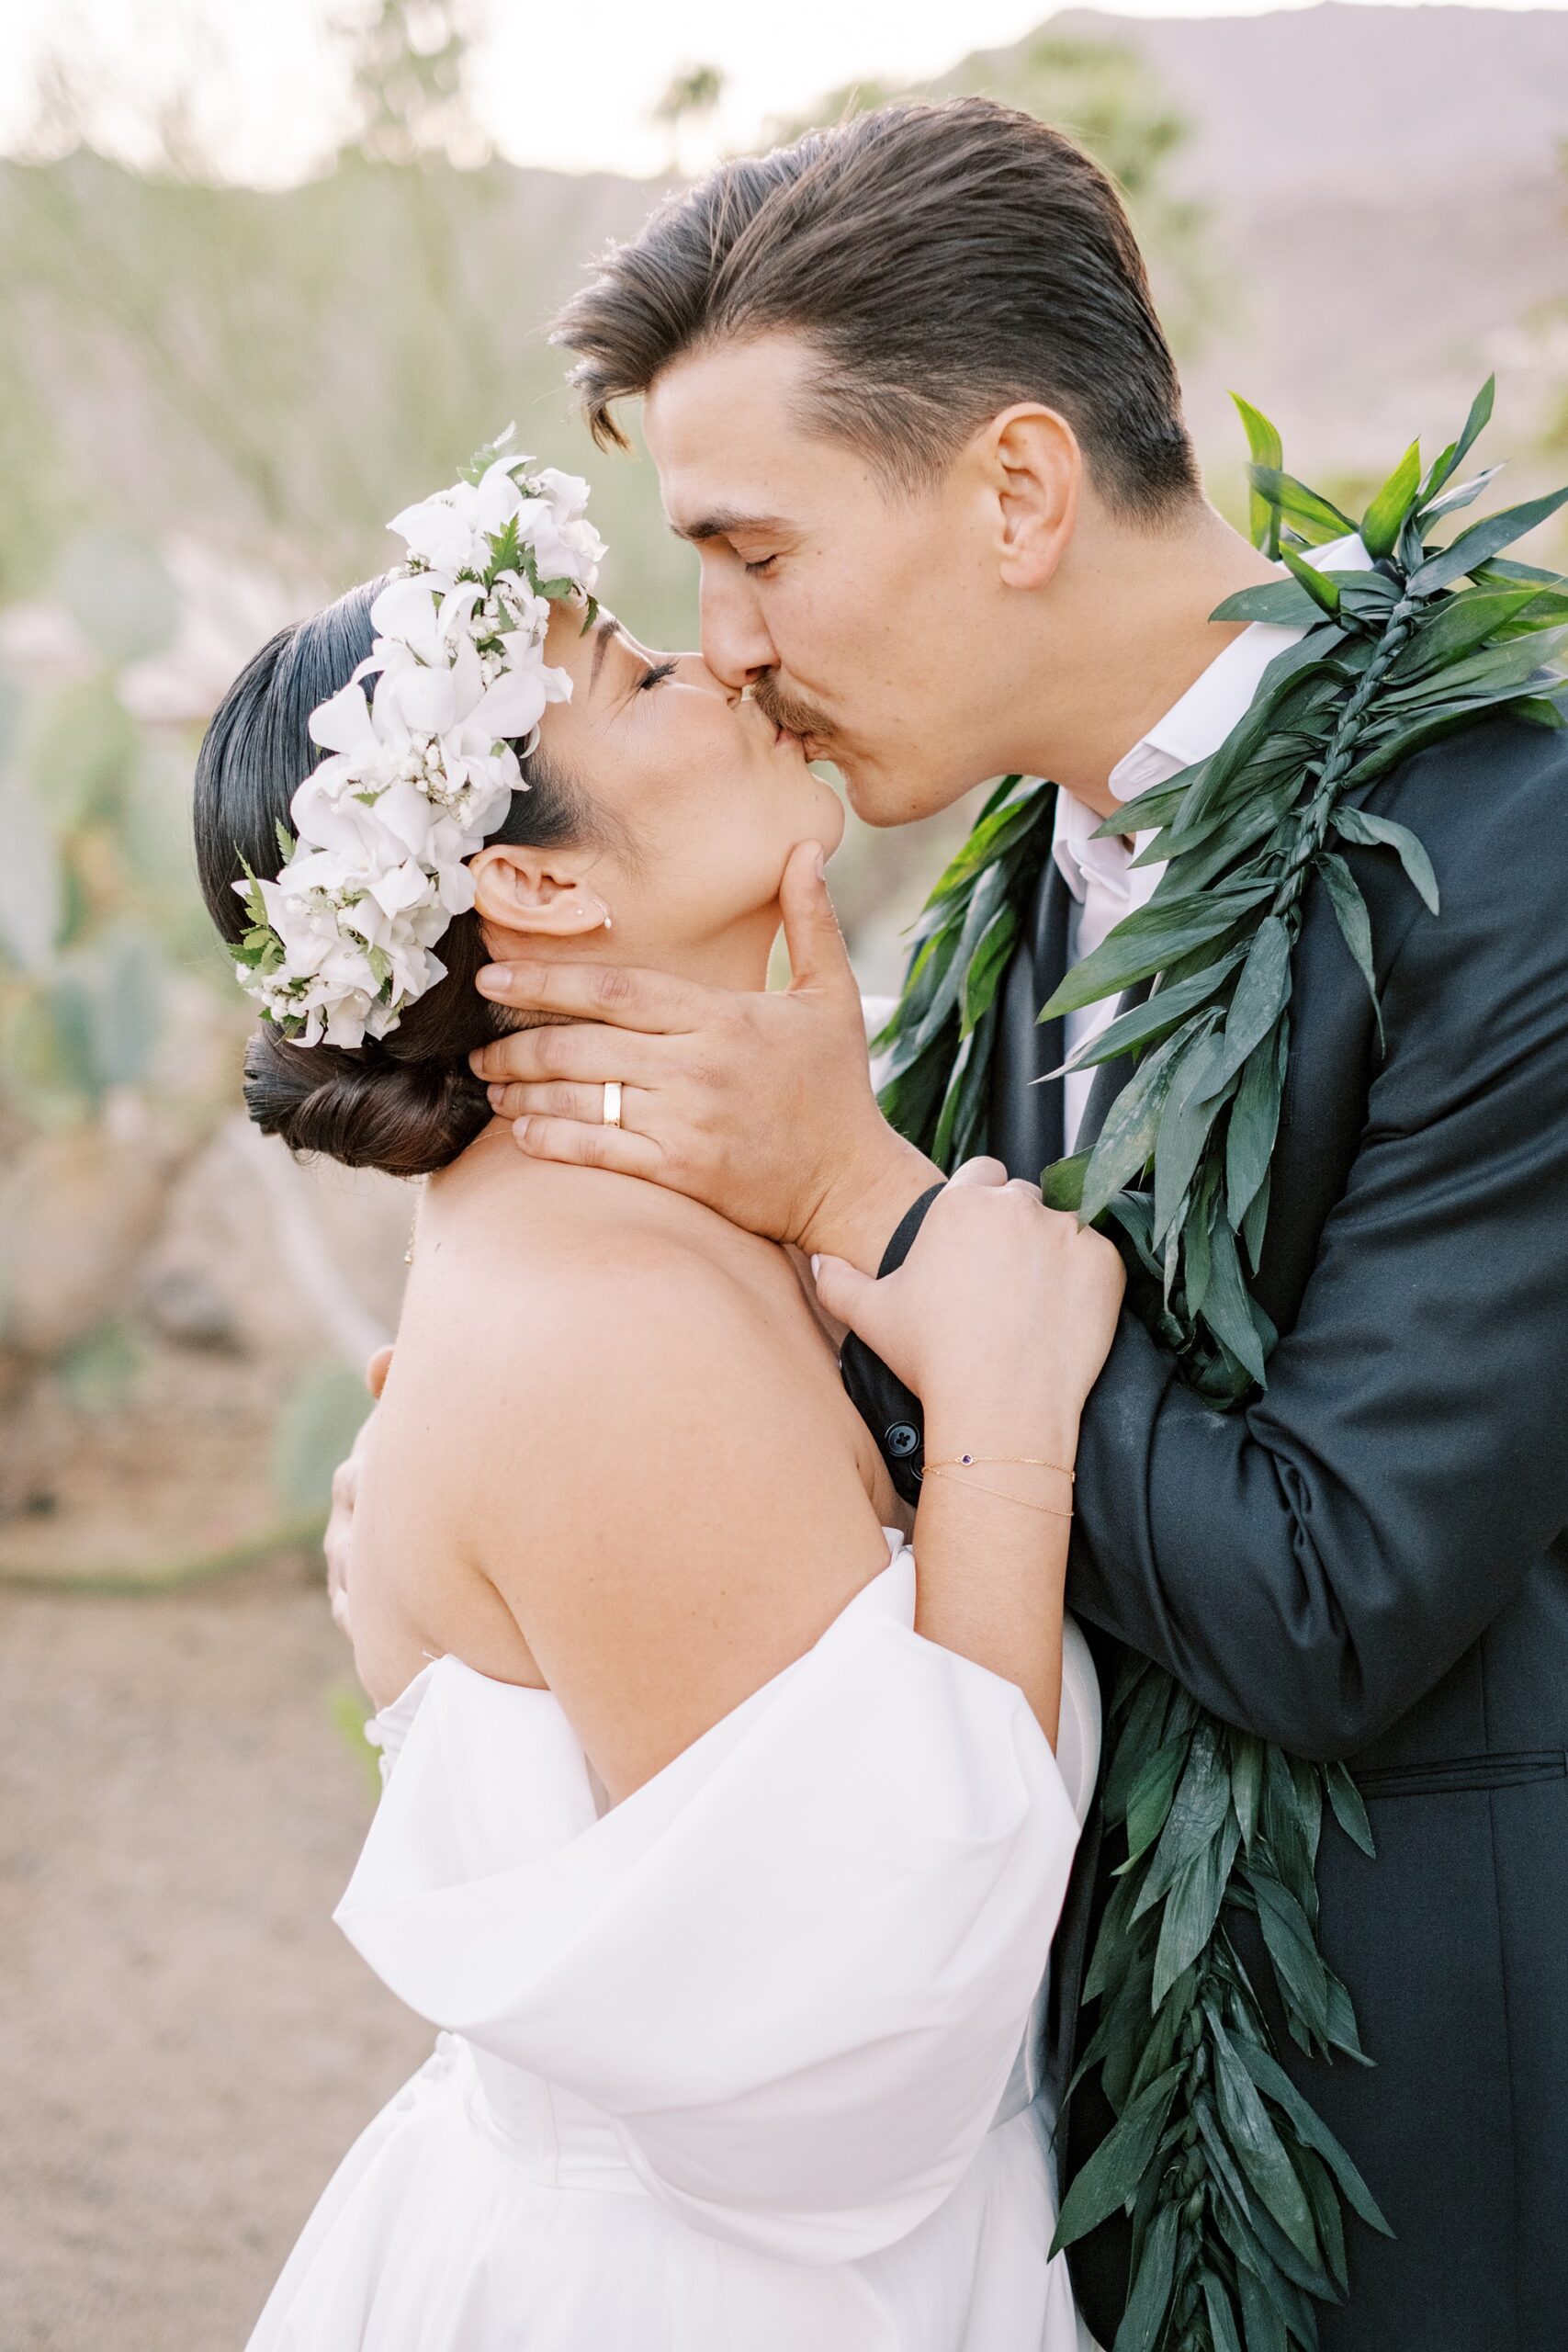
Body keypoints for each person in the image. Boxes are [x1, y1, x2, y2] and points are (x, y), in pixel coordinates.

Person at [461, 99, 1568, 2352]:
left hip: (1424, 2156)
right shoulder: (1004, 886)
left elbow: (1334, 1599)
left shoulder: (1513, 856)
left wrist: (860, 1190)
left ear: (1016, 491)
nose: (728, 645)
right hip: (1064, 2143)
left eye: (755, 551)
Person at [195, 450, 1122, 2350]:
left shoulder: (637, 1228)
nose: (725, 663)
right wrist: (1004, 1411)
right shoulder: (596, 1313)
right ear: (528, 877)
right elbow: (859, 2052)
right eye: (633, 676)